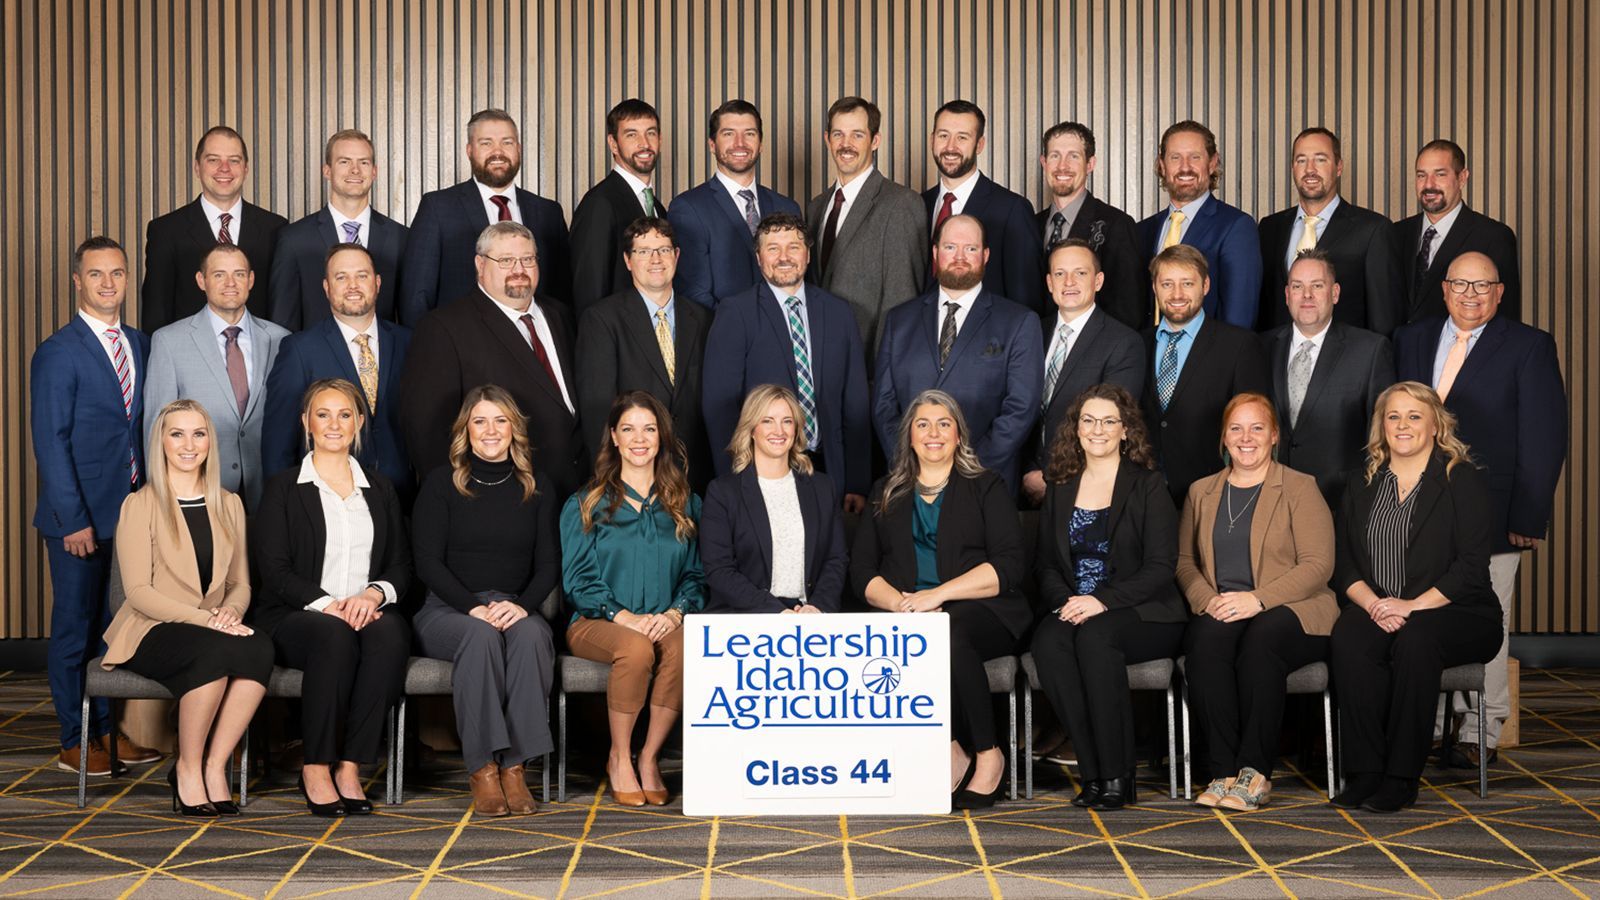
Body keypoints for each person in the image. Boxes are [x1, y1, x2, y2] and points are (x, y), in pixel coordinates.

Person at [1394, 251, 1566, 767]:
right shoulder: (1412, 339)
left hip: (1493, 513)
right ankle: (1425, 722)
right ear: (1444, 289)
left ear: (1499, 292)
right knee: (1421, 613)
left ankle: (1479, 731)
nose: (1471, 295)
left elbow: (1544, 436)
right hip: (1415, 511)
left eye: (1482, 286)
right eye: (1461, 285)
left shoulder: (1529, 346)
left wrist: (1527, 517)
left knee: (1491, 616)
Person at [850, 390, 1028, 809]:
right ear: (908, 437)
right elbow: (862, 573)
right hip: (907, 612)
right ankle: (951, 749)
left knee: (945, 631)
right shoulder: (885, 491)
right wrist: (900, 605)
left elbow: (1008, 566)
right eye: (923, 424)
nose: (934, 433)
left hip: (984, 610)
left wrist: (936, 597)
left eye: (944, 424)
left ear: (959, 435)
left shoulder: (986, 485)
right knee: (923, 634)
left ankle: (988, 753)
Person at [1329, 381, 1502, 813]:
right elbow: (1345, 564)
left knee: (1416, 640)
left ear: (1435, 425)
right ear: (1381, 426)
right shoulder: (1360, 481)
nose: (1402, 425)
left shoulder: (1460, 478)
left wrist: (1410, 606)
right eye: (1393, 416)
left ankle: (1401, 777)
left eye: (1413, 416)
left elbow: (1471, 567)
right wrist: (1372, 604)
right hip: (1380, 606)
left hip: (1460, 612)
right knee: (1349, 635)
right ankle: (1365, 772)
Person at [102, 399, 273, 816]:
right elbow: (138, 592)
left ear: (210, 442)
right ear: (160, 442)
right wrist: (209, 620)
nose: (188, 444)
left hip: (211, 626)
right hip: (151, 627)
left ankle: (216, 766)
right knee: (212, 653)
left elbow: (240, 583)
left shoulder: (228, 504)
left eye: (198, 434)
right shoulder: (139, 504)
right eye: (176, 433)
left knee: (261, 648)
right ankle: (187, 768)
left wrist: (230, 611)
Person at [32, 236, 163, 776]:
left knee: (119, 627)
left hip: (131, 516)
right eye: (96, 274)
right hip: (80, 520)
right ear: (77, 281)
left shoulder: (140, 342)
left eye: (117, 273)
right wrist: (73, 519)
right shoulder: (58, 351)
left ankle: (110, 732)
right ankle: (75, 738)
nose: (108, 284)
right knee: (75, 629)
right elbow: (50, 439)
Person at [253, 379, 412, 817]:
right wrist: (331, 605)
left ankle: (349, 766)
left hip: (365, 610)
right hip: (296, 615)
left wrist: (374, 594)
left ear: (360, 422)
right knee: (333, 636)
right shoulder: (284, 488)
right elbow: (275, 570)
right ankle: (316, 764)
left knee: (391, 637)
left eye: (345, 414)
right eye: (323, 414)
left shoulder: (380, 489)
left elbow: (401, 565)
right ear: (306, 422)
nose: (334, 424)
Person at [1175, 393, 1336, 811]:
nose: (1246, 438)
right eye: (1236, 428)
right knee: (1204, 641)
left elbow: (1318, 565)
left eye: (1257, 428)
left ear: (1274, 436)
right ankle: (1223, 770)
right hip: (1225, 607)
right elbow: (1185, 562)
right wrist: (1206, 599)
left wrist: (1258, 599)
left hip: (1294, 610)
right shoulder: (1201, 491)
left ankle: (1256, 772)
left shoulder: (1299, 487)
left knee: (1262, 639)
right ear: (1223, 437)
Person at [1028, 384, 1184, 811]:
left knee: (1096, 639)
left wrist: (1100, 601)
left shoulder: (1148, 485)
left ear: (1126, 430)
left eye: (1108, 421)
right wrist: (1066, 601)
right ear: (1075, 429)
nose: (1098, 429)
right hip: (1074, 606)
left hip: (1142, 611)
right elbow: (1045, 563)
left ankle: (1118, 774)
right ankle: (1092, 771)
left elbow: (1160, 566)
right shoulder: (1060, 485)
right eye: (1088, 420)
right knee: (1048, 643)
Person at [411, 386, 558, 817]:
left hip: (513, 604)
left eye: (500, 420)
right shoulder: (442, 483)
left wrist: (523, 606)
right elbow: (427, 562)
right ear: (466, 430)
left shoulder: (536, 486)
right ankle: (482, 768)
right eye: (480, 421)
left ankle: (515, 766)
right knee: (480, 637)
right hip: (447, 608)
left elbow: (549, 565)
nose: (490, 430)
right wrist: (473, 608)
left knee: (533, 636)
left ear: (514, 428)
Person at [560, 391, 705, 807]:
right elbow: (579, 582)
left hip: (664, 620)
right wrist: (622, 616)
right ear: (614, 437)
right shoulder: (586, 503)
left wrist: (676, 614)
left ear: (661, 437)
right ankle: (619, 756)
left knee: (682, 647)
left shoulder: (686, 503)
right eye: (629, 429)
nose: (639, 439)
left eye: (649, 429)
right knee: (637, 649)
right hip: (597, 623)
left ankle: (649, 757)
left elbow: (697, 575)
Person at [400, 222, 586, 502]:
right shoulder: (443, 328)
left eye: (527, 259)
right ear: (480, 264)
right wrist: (466, 503)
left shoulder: (561, 315)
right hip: (503, 502)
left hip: (579, 497)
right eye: (506, 260)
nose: (519, 270)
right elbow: (427, 434)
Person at [702, 213, 871, 507]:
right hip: (762, 472)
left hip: (829, 469)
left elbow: (855, 402)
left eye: (793, 247)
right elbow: (720, 406)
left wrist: (857, 480)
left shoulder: (839, 312)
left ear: (807, 254)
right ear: (758, 258)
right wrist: (735, 480)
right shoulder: (736, 313)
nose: (784, 257)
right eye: (773, 248)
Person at [873, 215, 1043, 492]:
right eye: (951, 247)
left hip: (985, 482)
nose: (960, 257)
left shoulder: (1018, 322)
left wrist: (968, 467)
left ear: (986, 255)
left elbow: (1021, 408)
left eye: (971, 248)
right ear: (936, 253)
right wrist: (913, 463)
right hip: (911, 482)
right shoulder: (899, 320)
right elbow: (884, 405)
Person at [143, 244, 291, 510]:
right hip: (199, 489)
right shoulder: (169, 341)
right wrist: (160, 497)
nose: (230, 283)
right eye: (219, 274)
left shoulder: (280, 339)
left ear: (251, 280)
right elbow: (156, 426)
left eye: (239, 274)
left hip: (270, 487)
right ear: (202, 280)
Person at [263, 243, 415, 502]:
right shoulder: (299, 350)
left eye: (362, 275)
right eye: (341, 277)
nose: (353, 285)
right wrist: (284, 505)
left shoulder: (410, 342)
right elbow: (278, 444)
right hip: (325, 501)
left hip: (402, 498)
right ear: (326, 287)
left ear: (377, 283)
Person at [575, 217, 712, 490]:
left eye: (663, 249)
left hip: (695, 474)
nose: (656, 259)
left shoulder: (704, 318)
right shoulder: (602, 320)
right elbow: (597, 409)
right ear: (627, 260)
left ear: (677, 255)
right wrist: (609, 478)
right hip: (631, 476)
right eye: (643, 251)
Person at [400, 109, 571, 325]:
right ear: (469, 150)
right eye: (486, 143)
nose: (497, 152)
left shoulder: (548, 212)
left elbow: (562, 293)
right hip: (461, 347)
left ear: (518, 149)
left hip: (532, 345)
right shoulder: (438, 208)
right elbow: (417, 296)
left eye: (507, 142)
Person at [1141, 245, 1270, 506]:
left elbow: (1256, 426)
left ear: (1206, 285)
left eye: (1187, 283)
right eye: (1167, 284)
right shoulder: (1136, 343)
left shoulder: (1239, 345)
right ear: (1154, 288)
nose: (1177, 294)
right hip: (1145, 495)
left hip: (1214, 496)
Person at [700, 385, 848, 613]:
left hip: (810, 619)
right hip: (745, 620)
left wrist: (817, 606)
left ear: (797, 428)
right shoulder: (723, 493)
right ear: (751, 429)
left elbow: (835, 558)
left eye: (787, 421)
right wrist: (775, 611)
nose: (779, 430)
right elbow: (719, 570)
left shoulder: (822, 487)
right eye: (767, 421)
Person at [1264, 250, 1395, 507]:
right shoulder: (1262, 346)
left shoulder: (1370, 350)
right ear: (1287, 294)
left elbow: (1382, 436)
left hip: (1342, 502)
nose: (1307, 296)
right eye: (1298, 286)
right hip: (1272, 500)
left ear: (1334, 293)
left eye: (1317, 286)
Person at [1023, 239, 1146, 507]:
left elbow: (1108, 427)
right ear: (1049, 282)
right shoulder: (1029, 332)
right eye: (1060, 274)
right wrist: (1025, 472)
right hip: (1020, 485)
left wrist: (1051, 478)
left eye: (1080, 273)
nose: (1069, 282)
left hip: (1082, 491)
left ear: (1098, 281)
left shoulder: (1124, 342)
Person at [806, 96, 929, 358]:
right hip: (817, 363)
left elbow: (902, 300)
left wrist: (882, 378)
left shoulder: (901, 204)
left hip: (867, 368)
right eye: (838, 134)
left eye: (857, 135)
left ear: (875, 141)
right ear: (827, 139)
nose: (846, 144)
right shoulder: (816, 207)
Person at [1256, 127, 1405, 335]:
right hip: (1277, 360)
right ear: (1293, 168)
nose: (1310, 170)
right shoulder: (1269, 228)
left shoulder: (1373, 230)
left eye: (1320, 159)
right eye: (1301, 160)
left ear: (1338, 167)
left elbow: (1384, 321)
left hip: (1346, 362)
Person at [141, 126, 287, 331]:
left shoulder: (276, 228)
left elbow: (282, 307)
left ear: (245, 169)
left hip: (260, 357)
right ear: (197, 167)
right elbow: (156, 312)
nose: (224, 168)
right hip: (188, 359)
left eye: (234, 160)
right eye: (213, 160)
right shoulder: (165, 231)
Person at [666, 99, 802, 308]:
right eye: (728, 134)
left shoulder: (788, 207)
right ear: (712, 145)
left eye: (749, 134)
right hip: (724, 334)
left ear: (761, 143)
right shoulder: (688, 208)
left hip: (786, 335)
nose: (740, 143)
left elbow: (799, 283)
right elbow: (694, 293)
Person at [269, 129, 408, 329]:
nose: (355, 170)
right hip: (314, 359)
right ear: (327, 171)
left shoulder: (401, 238)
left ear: (374, 172)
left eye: (364, 162)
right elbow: (281, 323)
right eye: (344, 162)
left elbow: (409, 317)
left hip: (383, 359)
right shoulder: (293, 240)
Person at [1137, 121, 1261, 328]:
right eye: (1175, 157)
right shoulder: (1142, 230)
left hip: (1208, 357)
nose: (1185, 167)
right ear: (1162, 165)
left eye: (1195, 157)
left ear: (1212, 163)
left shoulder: (1237, 227)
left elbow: (1239, 320)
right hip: (1150, 355)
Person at [922, 100, 1044, 312]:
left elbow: (1026, 304)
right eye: (943, 136)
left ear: (979, 144)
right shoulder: (918, 205)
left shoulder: (1012, 210)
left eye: (962, 137)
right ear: (932, 140)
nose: (950, 147)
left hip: (989, 342)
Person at [1394, 140, 1521, 324]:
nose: (1429, 184)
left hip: (1462, 351)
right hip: (1398, 350)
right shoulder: (1395, 233)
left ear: (1462, 178)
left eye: (1440, 174)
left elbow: (1506, 318)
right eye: (1421, 175)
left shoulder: (1494, 237)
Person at [1036, 122, 1147, 331]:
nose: (1062, 166)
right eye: (1054, 155)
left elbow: (1129, 312)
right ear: (1044, 162)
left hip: (1095, 356)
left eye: (1074, 156)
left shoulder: (1117, 225)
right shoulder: (1031, 225)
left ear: (1090, 164)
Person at [570, 99, 667, 312]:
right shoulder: (599, 204)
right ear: (613, 144)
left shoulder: (657, 207)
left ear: (660, 139)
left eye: (650, 133)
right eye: (632, 135)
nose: (644, 144)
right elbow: (589, 294)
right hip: (616, 339)